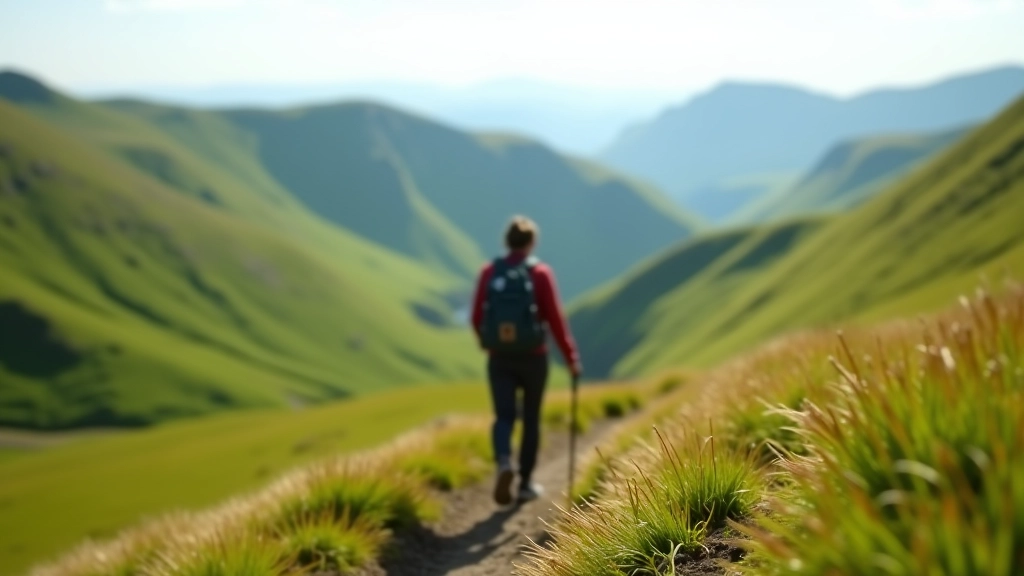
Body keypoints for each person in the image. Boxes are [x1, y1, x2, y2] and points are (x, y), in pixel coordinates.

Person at [471, 216, 582, 505]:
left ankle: (504, 461)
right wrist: (571, 358)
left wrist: (490, 344)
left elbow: (476, 318)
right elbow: (556, 320)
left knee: (504, 416)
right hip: (534, 358)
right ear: (532, 243)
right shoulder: (540, 273)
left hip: (500, 358)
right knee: (531, 419)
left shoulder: (489, 272)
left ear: (506, 241)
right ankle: (525, 484)